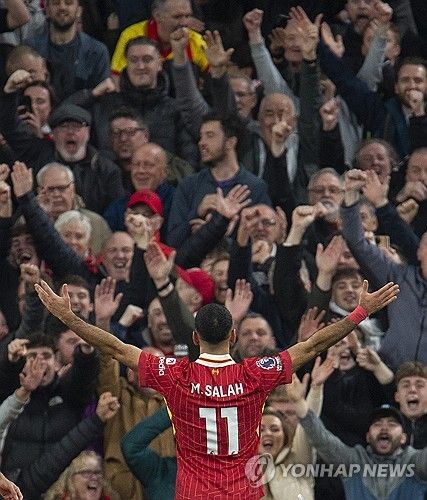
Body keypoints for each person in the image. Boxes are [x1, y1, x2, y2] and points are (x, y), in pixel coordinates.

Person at [34, 252, 398, 499]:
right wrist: (359, 313)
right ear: (234, 336)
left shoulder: (174, 374)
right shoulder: (256, 373)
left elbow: (114, 347)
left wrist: (69, 318)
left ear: (195, 339)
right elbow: (313, 344)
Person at [290, 395, 427, 499]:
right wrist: (302, 410)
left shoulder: (415, 461)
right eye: (377, 424)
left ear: (403, 438)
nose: (384, 428)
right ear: (368, 437)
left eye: (392, 424)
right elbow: (323, 441)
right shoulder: (355, 460)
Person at [24, 0, 110, 100]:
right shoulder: (29, 50)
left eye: (68, 3)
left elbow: (102, 100)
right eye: (56, 3)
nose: (62, 7)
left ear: (79, 11)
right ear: (47, 10)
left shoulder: (97, 52)